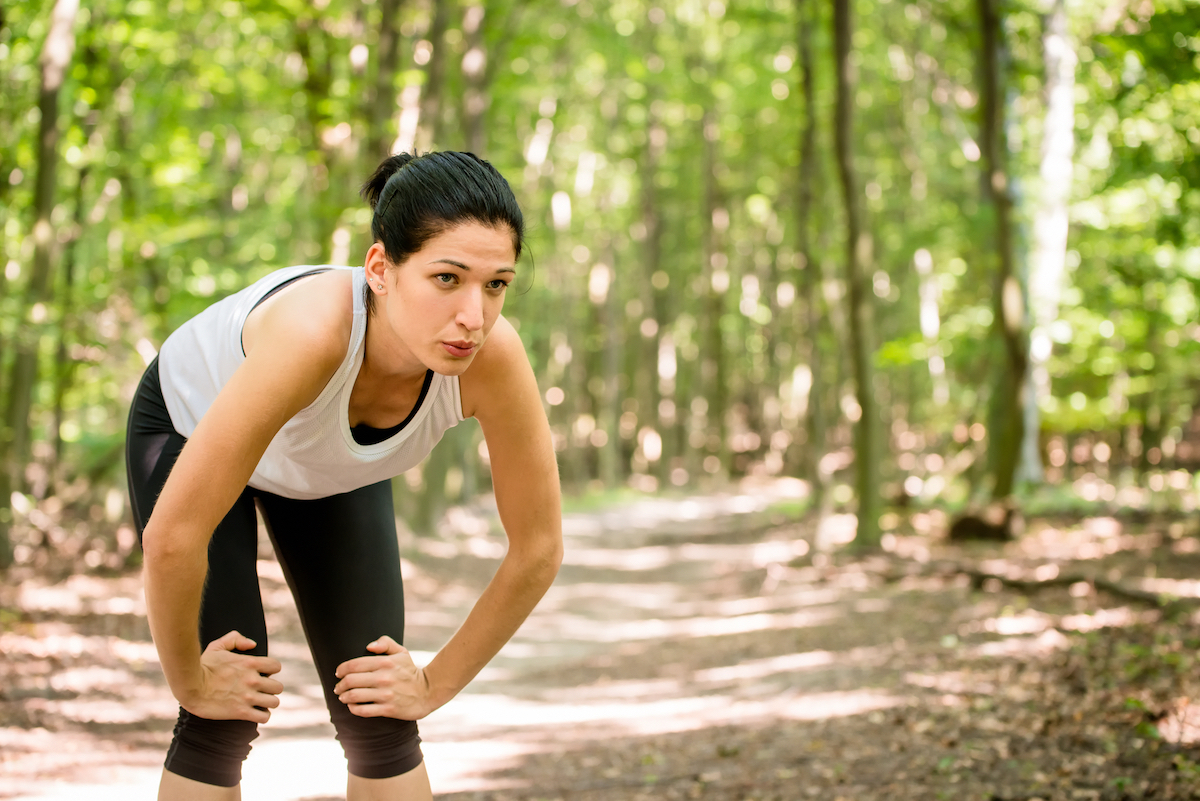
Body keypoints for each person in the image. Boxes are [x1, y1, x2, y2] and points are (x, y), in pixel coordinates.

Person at [124, 150, 563, 800]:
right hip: (191, 424)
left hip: (324, 462)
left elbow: (538, 548)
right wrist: (189, 680)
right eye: (448, 278)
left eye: (496, 283)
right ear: (381, 269)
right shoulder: (312, 334)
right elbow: (172, 539)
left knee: (380, 704)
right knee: (222, 709)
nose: (475, 314)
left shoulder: (493, 358)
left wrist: (431, 683)